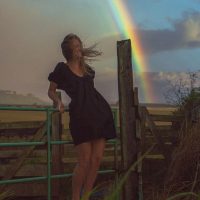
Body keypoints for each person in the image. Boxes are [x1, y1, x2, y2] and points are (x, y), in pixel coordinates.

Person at [47, 33, 117, 200]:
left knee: (97, 158)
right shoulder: (61, 69)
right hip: (81, 117)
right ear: (68, 50)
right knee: (84, 160)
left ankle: (87, 195)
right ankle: (75, 197)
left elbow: (91, 93)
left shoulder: (88, 71)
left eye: (79, 45)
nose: (79, 48)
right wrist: (58, 103)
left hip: (100, 113)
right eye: (75, 46)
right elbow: (51, 91)